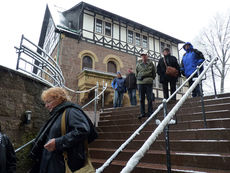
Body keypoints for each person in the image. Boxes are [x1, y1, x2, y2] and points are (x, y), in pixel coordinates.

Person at [29, 87, 97, 173]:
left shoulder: (71, 111)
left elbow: (82, 130)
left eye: (48, 102)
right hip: (52, 164)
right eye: (45, 103)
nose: (46, 106)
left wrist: (58, 143)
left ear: (59, 99)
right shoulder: (57, 114)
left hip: (62, 165)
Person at [136, 50, 156, 119]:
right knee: (141, 99)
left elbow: (154, 73)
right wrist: (140, 78)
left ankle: (150, 112)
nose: (143, 56)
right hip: (140, 83)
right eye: (142, 55)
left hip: (148, 82)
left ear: (147, 56)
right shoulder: (138, 64)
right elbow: (136, 73)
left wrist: (149, 78)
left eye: (145, 55)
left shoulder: (151, 63)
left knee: (149, 98)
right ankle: (142, 113)